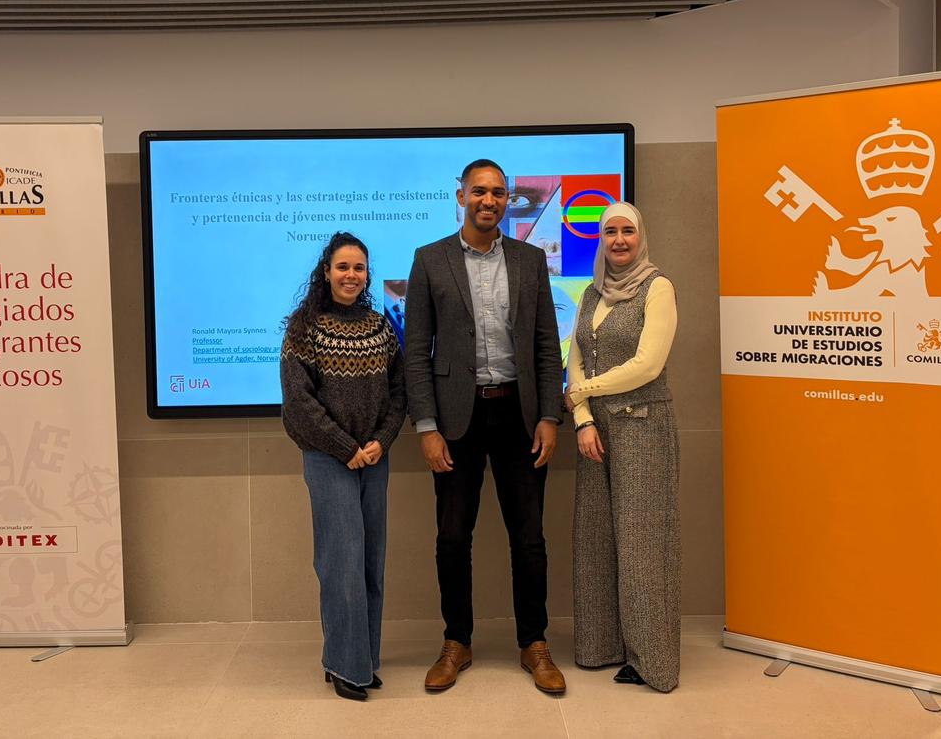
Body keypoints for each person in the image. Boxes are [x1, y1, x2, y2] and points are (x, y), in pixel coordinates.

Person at [405, 159, 567, 695]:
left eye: (498, 192)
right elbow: (416, 351)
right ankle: (457, 641)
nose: (489, 200)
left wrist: (549, 416)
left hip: (519, 415)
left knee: (530, 537)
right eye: (479, 191)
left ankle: (534, 643)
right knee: (453, 536)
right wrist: (426, 426)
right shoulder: (430, 260)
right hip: (457, 420)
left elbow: (546, 345)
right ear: (461, 197)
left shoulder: (529, 259)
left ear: (507, 200)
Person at [280, 232, 406, 702]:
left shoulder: (379, 326)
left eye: (359, 268)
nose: (351, 275)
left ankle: (362, 660)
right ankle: (344, 666)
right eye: (342, 267)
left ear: (367, 275)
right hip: (327, 457)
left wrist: (380, 442)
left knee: (371, 562)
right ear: (326, 272)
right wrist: (344, 447)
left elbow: (399, 392)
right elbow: (298, 401)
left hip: (373, 457)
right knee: (342, 562)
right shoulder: (304, 328)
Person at [565, 202, 681, 692]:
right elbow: (575, 359)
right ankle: (601, 648)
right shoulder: (592, 292)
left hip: (643, 428)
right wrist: (583, 420)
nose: (618, 240)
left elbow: (647, 365)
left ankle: (652, 661)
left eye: (627, 231)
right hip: (596, 431)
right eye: (610, 231)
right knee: (595, 541)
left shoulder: (658, 287)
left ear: (641, 236)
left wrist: (584, 392)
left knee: (642, 545)